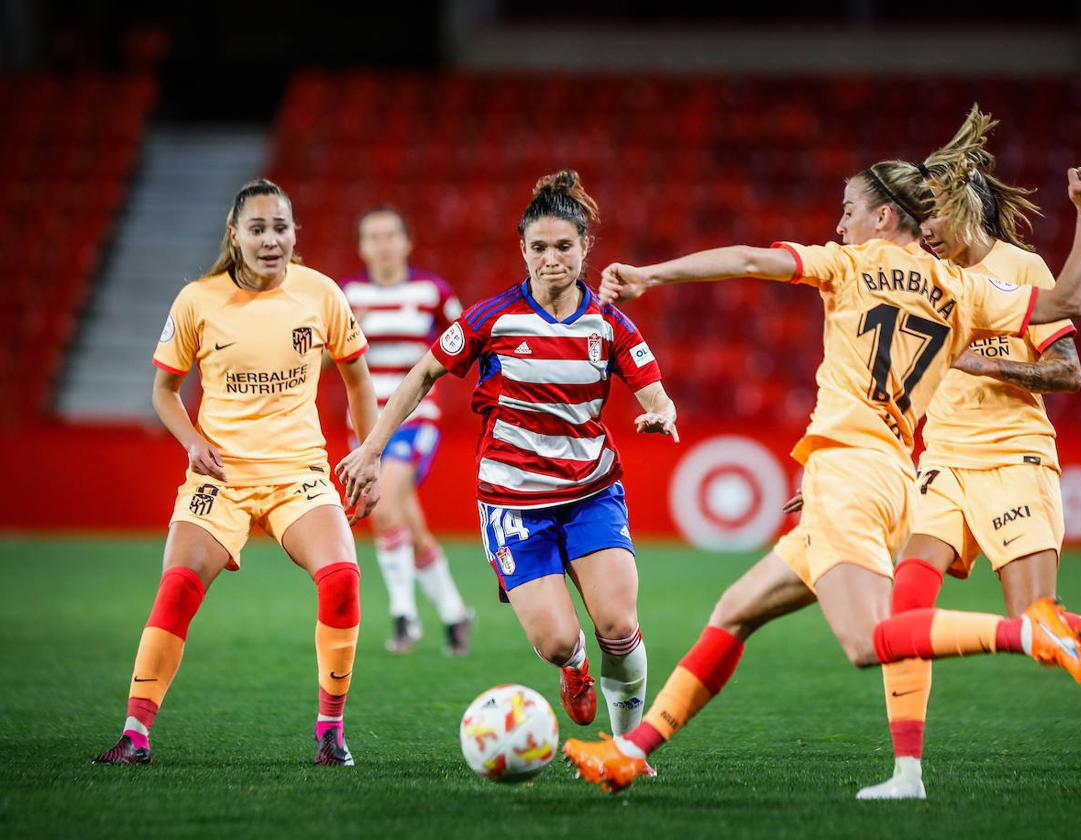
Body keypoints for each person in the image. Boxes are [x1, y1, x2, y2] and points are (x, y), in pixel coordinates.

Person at [562, 157, 1081, 794]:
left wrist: (651, 275)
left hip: (852, 472)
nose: (838, 224)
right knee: (736, 609)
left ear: (882, 216)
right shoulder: (963, 286)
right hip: (887, 473)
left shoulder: (847, 264)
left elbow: (745, 260)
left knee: (868, 641)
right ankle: (631, 750)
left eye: (848, 210)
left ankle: (1022, 632)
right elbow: (1070, 299)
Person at [857, 108, 1081, 800]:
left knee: (1039, 626)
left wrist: (993, 367)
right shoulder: (921, 277)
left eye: (929, 216)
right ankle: (906, 773)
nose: (921, 230)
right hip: (941, 464)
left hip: (1013, 460)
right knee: (903, 609)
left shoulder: (1017, 269)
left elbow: (1068, 371)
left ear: (958, 210)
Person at [337, 170, 679, 737]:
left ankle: (628, 750)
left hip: (591, 492)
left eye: (564, 246)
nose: (552, 259)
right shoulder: (490, 318)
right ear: (522, 249)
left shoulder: (610, 324)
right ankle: (572, 669)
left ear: (585, 248)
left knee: (618, 625)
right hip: (514, 500)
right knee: (558, 640)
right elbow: (423, 373)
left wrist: (662, 413)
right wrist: (373, 448)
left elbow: (656, 393)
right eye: (539, 247)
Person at [93, 179, 379, 767]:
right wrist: (192, 442)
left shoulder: (320, 294)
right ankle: (134, 734)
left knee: (343, 578)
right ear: (235, 235)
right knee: (177, 587)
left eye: (281, 227)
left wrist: (368, 452)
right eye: (258, 229)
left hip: (298, 470)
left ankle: (330, 731)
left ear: (294, 234)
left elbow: (357, 378)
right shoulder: (197, 300)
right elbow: (164, 391)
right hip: (220, 476)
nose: (271, 240)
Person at [341, 207, 474, 655]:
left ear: (406, 242)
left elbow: (465, 342)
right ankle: (455, 613)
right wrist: (349, 332)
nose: (382, 244)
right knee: (405, 520)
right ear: (361, 247)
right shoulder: (347, 294)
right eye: (372, 237)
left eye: (390, 235)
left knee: (383, 503)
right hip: (363, 422)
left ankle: (404, 615)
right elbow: (322, 360)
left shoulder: (432, 292)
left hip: (415, 417)